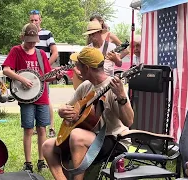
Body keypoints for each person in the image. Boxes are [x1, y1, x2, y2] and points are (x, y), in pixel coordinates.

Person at [42, 47, 134, 180]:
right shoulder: (86, 86)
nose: (76, 70)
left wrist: (121, 96)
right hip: (91, 137)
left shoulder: (113, 87)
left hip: (114, 140)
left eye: (78, 65)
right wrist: (62, 110)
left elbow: (129, 121)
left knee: (77, 135)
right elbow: (69, 106)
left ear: (86, 68)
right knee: (48, 146)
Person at [3, 23, 62, 173]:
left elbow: (46, 77)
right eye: (29, 40)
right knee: (28, 129)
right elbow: (6, 70)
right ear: (22, 37)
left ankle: (41, 161)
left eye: (34, 41)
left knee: (42, 128)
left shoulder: (41, 54)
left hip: (41, 96)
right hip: (25, 98)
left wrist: (57, 76)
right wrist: (21, 79)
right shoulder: (16, 51)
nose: (31, 43)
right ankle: (28, 162)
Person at [30, 9, 59, 138]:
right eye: (32, 20)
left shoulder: (47, 34)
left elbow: (55, 52)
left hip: (43, 73)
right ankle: (38, 126)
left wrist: (45, 68)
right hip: (31, 74)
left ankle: (51, 127)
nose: (34, 22)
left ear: (40, 20)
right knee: (33, 98)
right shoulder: (28, 34)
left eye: (36, 20)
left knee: (46, 99)